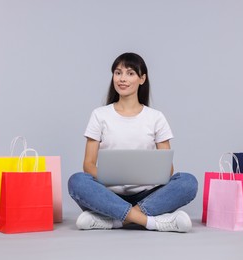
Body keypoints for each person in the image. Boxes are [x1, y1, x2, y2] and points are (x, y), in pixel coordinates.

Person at [68, 52, 198, 232]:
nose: (122, 79)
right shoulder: (99, 115)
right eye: (118, 73)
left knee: (187, 182)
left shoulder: (156, 118)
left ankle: (115, 220)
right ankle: (150, 222)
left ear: (142, 78)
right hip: (108, 194)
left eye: (130, 73)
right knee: (77, 181)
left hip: (147, 195)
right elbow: (88, 165)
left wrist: (147, 175)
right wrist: (110, 177)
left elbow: (168, 170)